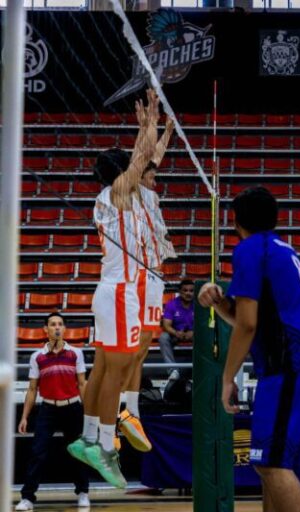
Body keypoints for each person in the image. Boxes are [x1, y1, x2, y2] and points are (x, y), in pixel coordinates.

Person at [198, 186, 300, 512]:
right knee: (267, 463)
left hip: (292, 366)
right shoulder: (281, 248)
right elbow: (248, 317)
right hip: (289, 367)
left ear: (237, 221)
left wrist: (227, 378)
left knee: (273, 464)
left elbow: (247, 325)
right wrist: (219, 303)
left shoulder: (250, 250)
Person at [66, 88, 160, 489]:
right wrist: (150, 122)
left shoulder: (118, 197)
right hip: (119, 294)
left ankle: (88, 438)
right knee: (115, 373)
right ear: (123, 175)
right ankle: (106, 446)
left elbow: (144, 157)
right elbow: (143, 158)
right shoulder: (117, 194)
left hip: (112, 291)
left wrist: (147, 129)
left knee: (104, 369)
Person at [118, 115, 177, 453]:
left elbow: (154, 159)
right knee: (132, 349)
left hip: (155, 276)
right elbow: (143, 157)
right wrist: (148, 125)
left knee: (142, 350)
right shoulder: (134, 191)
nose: (155, 180)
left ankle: (131, 411)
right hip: (139, 274)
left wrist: (166, 131)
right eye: (151, 176)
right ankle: (125, 411)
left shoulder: (151, 195)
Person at [16, 313, 89, 511]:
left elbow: (82, 384)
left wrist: (89, 413)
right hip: (47, 409)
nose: (57, 327)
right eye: (53, 324)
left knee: (78, 453)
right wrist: (24, 417)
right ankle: (27, 498)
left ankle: (83, 492)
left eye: (60, 324)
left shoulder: (76, 353)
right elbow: (32, 389)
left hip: (73, 407)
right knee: (37, 453)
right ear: (45, 329)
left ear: (64, 329)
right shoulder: (37, 357)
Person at [158, 279, 195, 382]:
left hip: (193, 333)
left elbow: (203, 324)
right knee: (163, 337)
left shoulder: (199, 304)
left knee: (205, 336)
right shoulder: (172, 304)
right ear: (180, 292)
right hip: (175, 333)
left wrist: (194, 332)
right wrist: (175, 333)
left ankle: (200, 368)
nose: (188, 293)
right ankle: (173, 370)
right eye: (185, 290)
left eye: (191, 291)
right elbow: (166, 325)